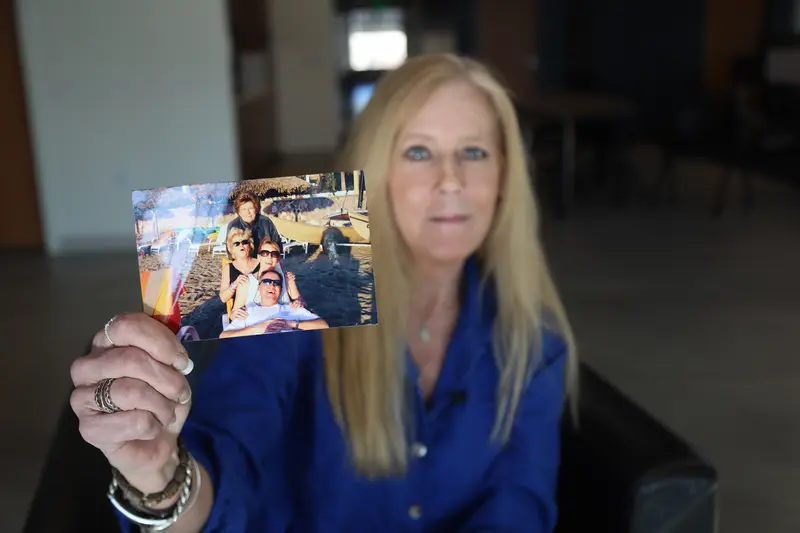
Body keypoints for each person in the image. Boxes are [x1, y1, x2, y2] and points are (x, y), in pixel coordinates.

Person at [69, 54, 577, 533]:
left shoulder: (534, 342)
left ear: (504, 180)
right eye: (419, 152)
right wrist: (160, 478)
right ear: (377, 172)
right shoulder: (297, 303)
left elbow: (519, 508)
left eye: (475, 152)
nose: (451, 180)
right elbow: (230, 469)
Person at [220, 270, 327, 338]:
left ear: (280, 290)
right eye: (266, 281)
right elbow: (224, 336)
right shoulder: (248, 311)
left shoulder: (291, 308)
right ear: (259, 288)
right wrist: (257, 329)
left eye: (276, 283)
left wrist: (293, 324)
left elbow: (324, 326)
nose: (271, 285)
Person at [230, 240, 304, 322]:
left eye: (274, 254)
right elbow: (233, 314)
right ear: (258, 257)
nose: (269, 257)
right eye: (264, 253)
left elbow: (301, 301)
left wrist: (299, 303)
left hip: (285, 324)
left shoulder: (287, 279)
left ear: (278, 259)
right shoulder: (247, 282)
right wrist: (236, 314)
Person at [217, 227, 259, 310]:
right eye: (236, 243)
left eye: (244, 242)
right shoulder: (228, 268)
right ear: (232, 249)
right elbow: (223, 298)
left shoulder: (260, 263)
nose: (241, 245)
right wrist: (235, 284)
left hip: (259, 308)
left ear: (250, 245)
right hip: (238, 312)